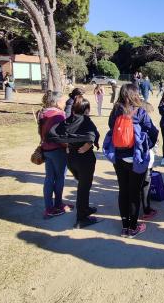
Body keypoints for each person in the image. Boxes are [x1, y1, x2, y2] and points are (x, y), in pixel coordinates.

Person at [108, 84, 159, 238]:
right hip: (136, 157)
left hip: (118, 157)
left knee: (123, 191)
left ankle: (125, 226)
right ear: (135, 94)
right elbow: (153, 131)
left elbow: (111, 127)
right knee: (135, 192)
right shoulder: (140, 111)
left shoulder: (115, 111)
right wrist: (145, 145)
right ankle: (133, 227)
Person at [48, 96, 102, 229]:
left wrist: (68, 143)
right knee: (84, 188)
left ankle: (85, 208)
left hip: (71, 159)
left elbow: (53, 133)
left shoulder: (68, 121)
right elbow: (93, 135)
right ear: (86, 109)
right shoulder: (86, 121)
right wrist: (88, 145)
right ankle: (81, 218)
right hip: (84, 160)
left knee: (83, 187)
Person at [37, 91, 71, 219]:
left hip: (46, 149)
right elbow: (61, 137)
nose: (65, 103)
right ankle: (58, 204)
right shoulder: (58, 115)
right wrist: (67, 147)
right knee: (60, 177)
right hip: (57, 151)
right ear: (57, 102)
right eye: (63, 101)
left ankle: (49, 208)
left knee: (49, 178)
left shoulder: (43, 113)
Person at [140, 102, 159, 220]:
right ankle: (146, 209)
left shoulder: (134, 122)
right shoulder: (148, 125)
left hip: (134, 160)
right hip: (147, 159)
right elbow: (154, 137)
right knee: (146, 185)